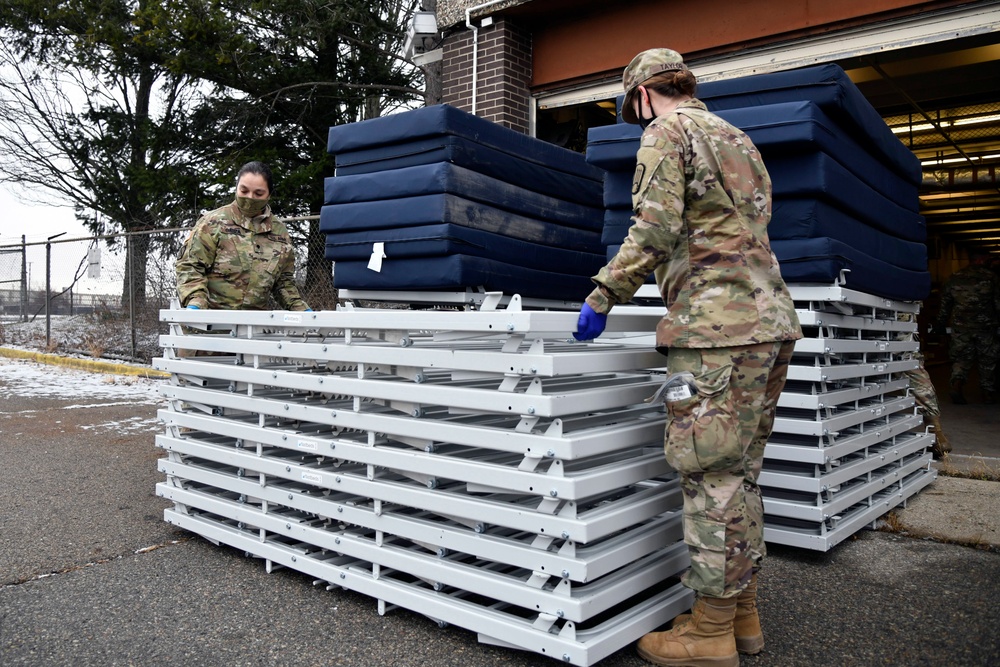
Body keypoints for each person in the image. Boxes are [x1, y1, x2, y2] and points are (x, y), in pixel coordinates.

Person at [573, 48, 802, 667]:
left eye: (630, 108)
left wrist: (604, 295)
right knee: (741, 474)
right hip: (769, 325)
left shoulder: (666, 131)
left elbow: (652, 226)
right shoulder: (740, 140)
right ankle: (738, 614)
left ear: (643, 95)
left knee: (709, 478)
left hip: (714, 333)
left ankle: (708, 637)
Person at [176, 161, 310, 312]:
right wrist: (196, 301)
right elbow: (190, 266)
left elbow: (283, 282)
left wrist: (300, 309)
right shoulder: (213, 223)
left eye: (258, 194)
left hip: (253, 327)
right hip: (209, 324)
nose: (249, 198)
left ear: (269, 195)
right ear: (236, 188)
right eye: (244, 191)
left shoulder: (278, 233)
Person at [932, 250, 999, 404]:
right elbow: (998, 302)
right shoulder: (991, 278)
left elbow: (945, 304)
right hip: (985, 327)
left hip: (960, 326)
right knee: (987, 359)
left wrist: (940, 324)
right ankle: (987, 392)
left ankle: (956, 385)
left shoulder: (954, 278)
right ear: (982, 260)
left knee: (961, 358)